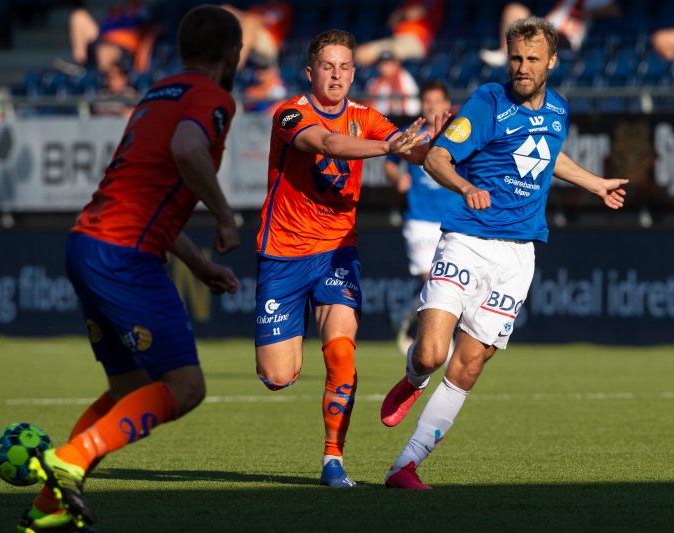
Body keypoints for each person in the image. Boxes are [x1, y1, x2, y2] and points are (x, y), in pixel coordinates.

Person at [16, 6, 243, 531]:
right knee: (186, 387)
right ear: (234, 55)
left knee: (130, 388)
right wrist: (227, 217)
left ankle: (48, 506)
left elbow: (149, 190)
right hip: (123, 256)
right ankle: (69, 461)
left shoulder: (159, 92)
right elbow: (188, 150)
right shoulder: (212, 99)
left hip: (89, 244)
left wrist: (198, 263)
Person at [380, 16, 628, 489]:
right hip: (468, 239)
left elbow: (548, 154)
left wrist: (596, 184)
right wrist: (465, 186)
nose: (522, 67)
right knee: (433, 354)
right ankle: (413, 378)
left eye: (533, 59)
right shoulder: (488, 101)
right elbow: (436, 157)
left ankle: (404, 466)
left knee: (468, 364)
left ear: (552, 61)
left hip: (518, 258)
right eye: (516, 57)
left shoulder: (558, 109)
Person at [254, 28, 433, 488]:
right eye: (328, 67)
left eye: (345, 67)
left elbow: (414, 151)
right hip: (283, 255)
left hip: (337, 251)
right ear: (311, 72)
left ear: (354, 73)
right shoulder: (290, 113)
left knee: (340, 351)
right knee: (278, 376)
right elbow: (329, 145)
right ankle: (290, 354)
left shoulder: (366, 116)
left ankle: (333, 459)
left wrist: (455, 161)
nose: (336, 75)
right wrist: (387, 148)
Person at [383, 80, 455, 355]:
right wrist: (396, 178)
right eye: (428, 103)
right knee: (434, 281)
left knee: (447, 284)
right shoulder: (412, 134)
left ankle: (405, 314)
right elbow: (389, 162)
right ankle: (442, 341)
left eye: (437, 102)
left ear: (447, 105)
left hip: (452, 222)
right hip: (420, 221)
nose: (433, 107)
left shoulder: (458, 135)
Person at [479, 0, 621, 67]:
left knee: (546, 35)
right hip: (544, 31)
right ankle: (507, 53)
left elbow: (615, 11)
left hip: (566, 41)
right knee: (514, 9)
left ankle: (543, 56)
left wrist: (589, 13)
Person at [67, 0, 162, 73]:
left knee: (104, 51)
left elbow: (148, 31)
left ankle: (103, 82)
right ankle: (80, 65)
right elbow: (104, 26)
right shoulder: (119, 9)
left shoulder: (143, 10)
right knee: (79, 16)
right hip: (103, 38)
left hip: (123, 46)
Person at [355, 0, 445, 67]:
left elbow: (416, 12)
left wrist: (401, 14)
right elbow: (392, 22)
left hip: (416, 42)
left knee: (385, 61)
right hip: (398, 40)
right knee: (360, 52)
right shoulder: (409, 2)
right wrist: (402, 14)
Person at [222, 0, 294, 68]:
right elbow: (246, 20)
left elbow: (260, 20)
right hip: (252, 46)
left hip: (271, 47)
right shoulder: (257, 7)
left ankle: (236, 66)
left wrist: (238, 13)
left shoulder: (284, 8)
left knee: (252, 21)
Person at [365, 50, 421, 117]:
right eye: (382, 64)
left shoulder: (404, 77)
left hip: (403, 118)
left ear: (395, 64)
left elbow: (412, 107)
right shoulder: (374, 81)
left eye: (387, 63)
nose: (384, 67)